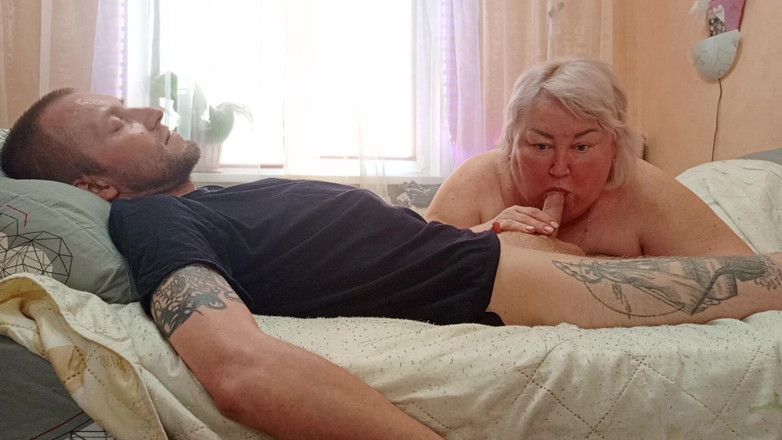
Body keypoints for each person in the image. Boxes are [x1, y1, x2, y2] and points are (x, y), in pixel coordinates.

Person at [2, 88, 781, 440]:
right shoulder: (153, 219)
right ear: (95, 186)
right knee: (765, 280)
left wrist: (491, 229)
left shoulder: (199, 202)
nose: (151, 110)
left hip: (488, 254)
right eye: (119, 122)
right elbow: (237, 367)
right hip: (493, 283)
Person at [425, 57, 753, 257]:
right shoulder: (477, 180)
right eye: (541, 146)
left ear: (614, 147)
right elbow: (413, 266)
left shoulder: (643, 189)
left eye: (581, 147)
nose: (559, 168)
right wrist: (482, 239)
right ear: (511, 144)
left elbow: (744, 270)